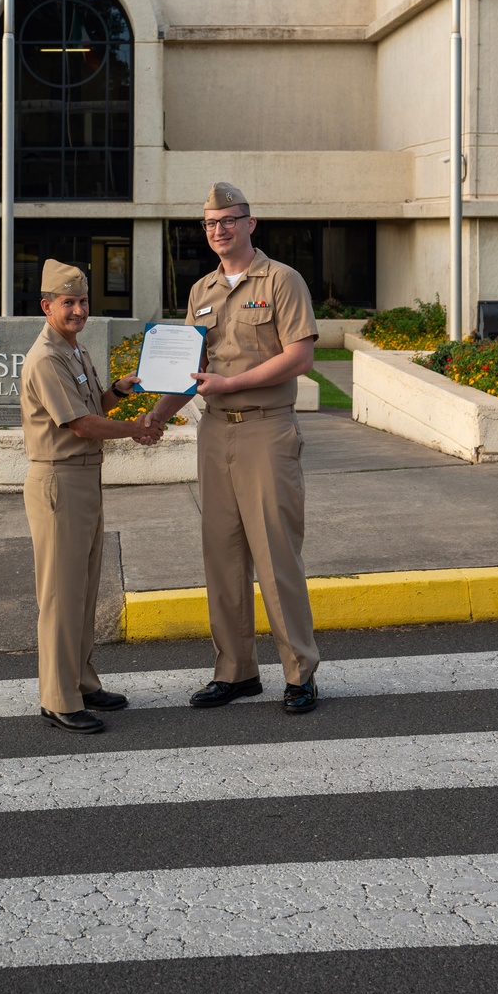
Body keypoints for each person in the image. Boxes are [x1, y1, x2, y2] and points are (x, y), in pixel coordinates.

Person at [145, 184, 320, 713]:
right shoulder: (201, 291)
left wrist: (230, 385)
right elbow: (184, 369)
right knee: (222, 556)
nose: (218, 229)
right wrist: (154, 417)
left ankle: (299, 674)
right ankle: (236, 671)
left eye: (228, 219)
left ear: (250, 224)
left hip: (266, 430)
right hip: (214, 432)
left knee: (275, 556)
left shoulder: (282, 281)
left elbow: (299, 357)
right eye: (209, 223)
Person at [19, 259, 162, 735]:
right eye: (68, 302)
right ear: (47, 306)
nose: (78, 309)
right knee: (60, 596)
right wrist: (136, 429)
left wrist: (119, 392)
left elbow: (92, 406)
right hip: (59, 481)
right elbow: (80, 425)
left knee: (81, 590)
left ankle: (80, 681)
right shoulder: (46, 357)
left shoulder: (73, 350)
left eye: (82, 301)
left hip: (84, 480)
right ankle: (57, 698)